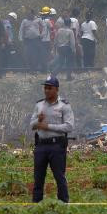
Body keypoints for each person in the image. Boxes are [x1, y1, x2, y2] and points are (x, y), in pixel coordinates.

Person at [30, 75, 74, 203]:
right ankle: (36, 204)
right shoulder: (39, 105)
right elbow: (31, 125)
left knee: (59, 177)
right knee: (38, 177)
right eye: (45, 88)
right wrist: (38, 121)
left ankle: (63, 203)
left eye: (49, 88)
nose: (46, 91)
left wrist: (47, 126)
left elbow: (69, 126)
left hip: (57, 146)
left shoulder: (64, 106)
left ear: (56, 89)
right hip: (41, 146)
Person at [53, 12, 77, 80]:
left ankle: (53, 74)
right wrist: (74, 50)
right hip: (67, 48)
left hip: (60, 48)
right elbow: (72, 42)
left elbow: (55, 40)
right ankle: (68, 76)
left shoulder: (59, 30)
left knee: (61, 63)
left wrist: (54, 48)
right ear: (69, 23)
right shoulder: (70, 31)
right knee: (70, 62)